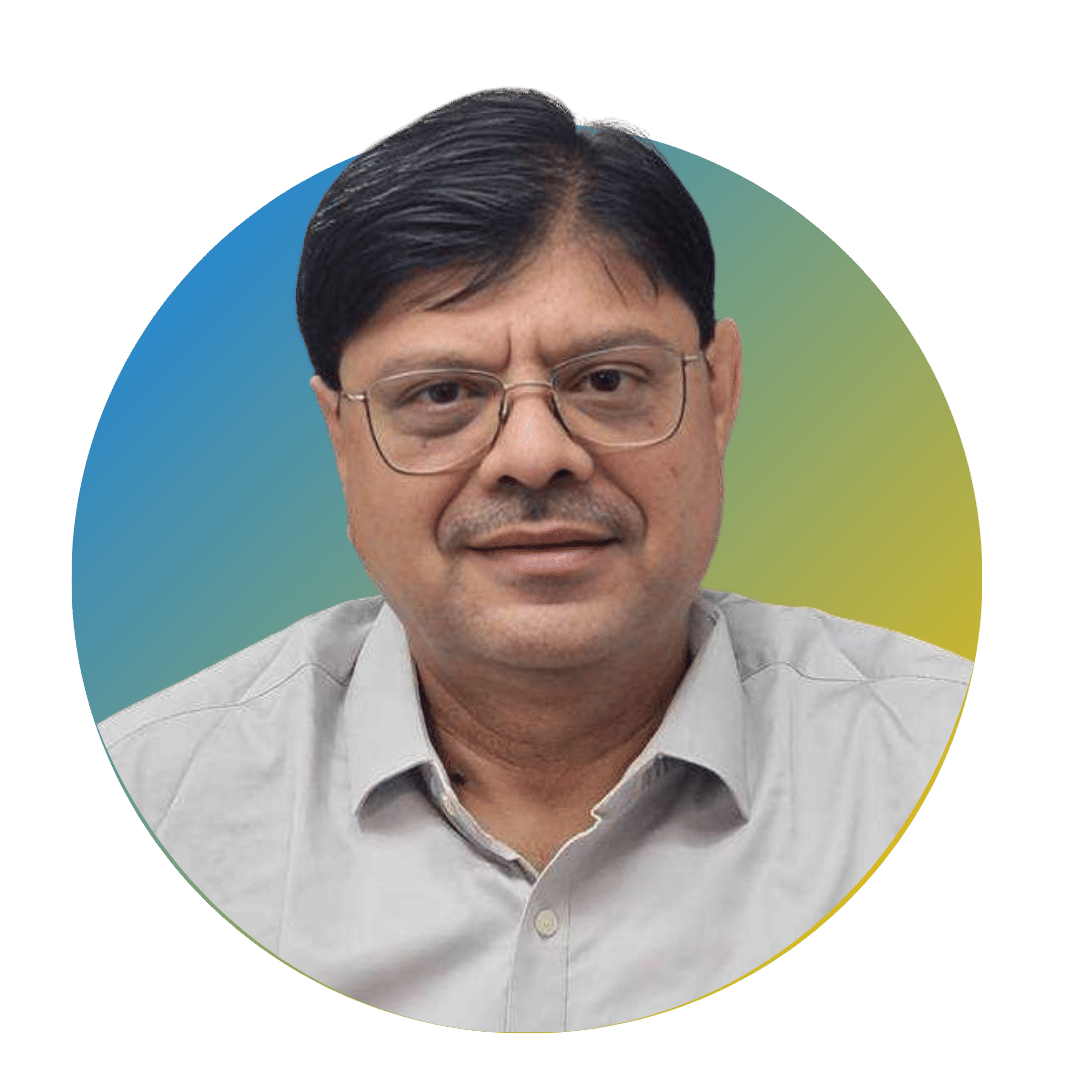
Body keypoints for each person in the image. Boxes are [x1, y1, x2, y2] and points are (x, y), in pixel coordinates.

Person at [100, 87, 972, 1032]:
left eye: (607, 379)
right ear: (341, 441)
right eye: (443, 393)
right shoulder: (150, 805)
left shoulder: (935, 760)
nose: (533, 454)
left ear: (718, 397)